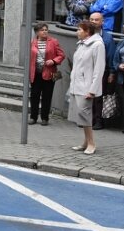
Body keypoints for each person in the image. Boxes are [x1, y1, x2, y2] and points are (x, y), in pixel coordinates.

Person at [67, 21, 105, 155]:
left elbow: (99, 69)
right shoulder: (82, 44)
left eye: (79, 30)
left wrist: (92, 90)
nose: (77, 32)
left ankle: (91, 143)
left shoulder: (97, 45)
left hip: (87, 87)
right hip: (77, 86)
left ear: (87, 31)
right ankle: (85, 142)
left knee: (85, 115)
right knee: (82, 116)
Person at [28, 22, 65, 126]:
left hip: (48, 73)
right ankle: (33, 117)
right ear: (37, 32)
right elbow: (29, 57)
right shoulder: (32, 42)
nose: (44, 32)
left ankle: (45, 118)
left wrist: (53, 61)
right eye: (42, 30)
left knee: (47, 96)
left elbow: (61, 55)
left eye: (46, 30)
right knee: (34, 96)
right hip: (35, 73)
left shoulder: (53, 42)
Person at [88, 12, 116, 130]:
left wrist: (111, 72)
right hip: (87, 71)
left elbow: (111, 56)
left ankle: (98, 121)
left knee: (99, 97)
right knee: (87, 96)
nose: (93, 22)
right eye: (92, 19)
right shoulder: (86, 35)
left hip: (101, 71)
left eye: (96, 20)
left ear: (102, 22)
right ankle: (88, 119)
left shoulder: (107, 38)